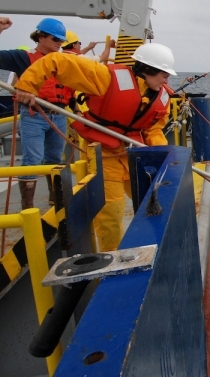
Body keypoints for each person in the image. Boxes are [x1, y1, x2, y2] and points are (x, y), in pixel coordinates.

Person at [14, 43, 176, 252]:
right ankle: (114, 259)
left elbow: (154, 130)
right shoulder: (105, 77)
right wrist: (28, 85)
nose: (167, 80)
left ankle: (158, 244)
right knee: (112, 212)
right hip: (105, 156)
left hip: (134, 157)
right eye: (164, 74)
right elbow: (56, 61)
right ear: (149, 69)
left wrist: (161, 153)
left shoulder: (161, 97)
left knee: (154, 200)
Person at [0, 18, 74, 209]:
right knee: (32, 160)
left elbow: (70, 88)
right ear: (40, 37)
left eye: (61, 41)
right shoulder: (23, 58)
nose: (59, 43)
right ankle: (28, 205)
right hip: (34, 115)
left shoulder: (63, 60)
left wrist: (76, 110)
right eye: (55, 39)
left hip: (59, 115)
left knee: (55, 159)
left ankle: (55, 198)